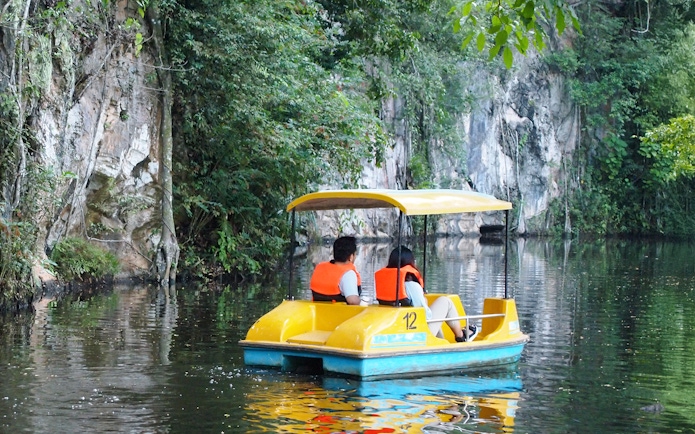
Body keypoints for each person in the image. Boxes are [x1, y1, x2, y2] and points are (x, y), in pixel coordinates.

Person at [375, 246, 478, 342]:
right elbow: (426, 315)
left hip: (397, 329)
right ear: (410, 263)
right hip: (418, 332)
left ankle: (441, 343)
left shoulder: (385, 284)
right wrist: (424, 300)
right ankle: (461, 336)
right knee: (445, 302)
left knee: (437, 319)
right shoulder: (412, 286)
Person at [309, 236, 363, 305]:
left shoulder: (320, 267)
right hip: (339, 314)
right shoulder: (348, 274)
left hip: (318, 313)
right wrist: (362, 302)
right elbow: (352, 301)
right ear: (351, 257)